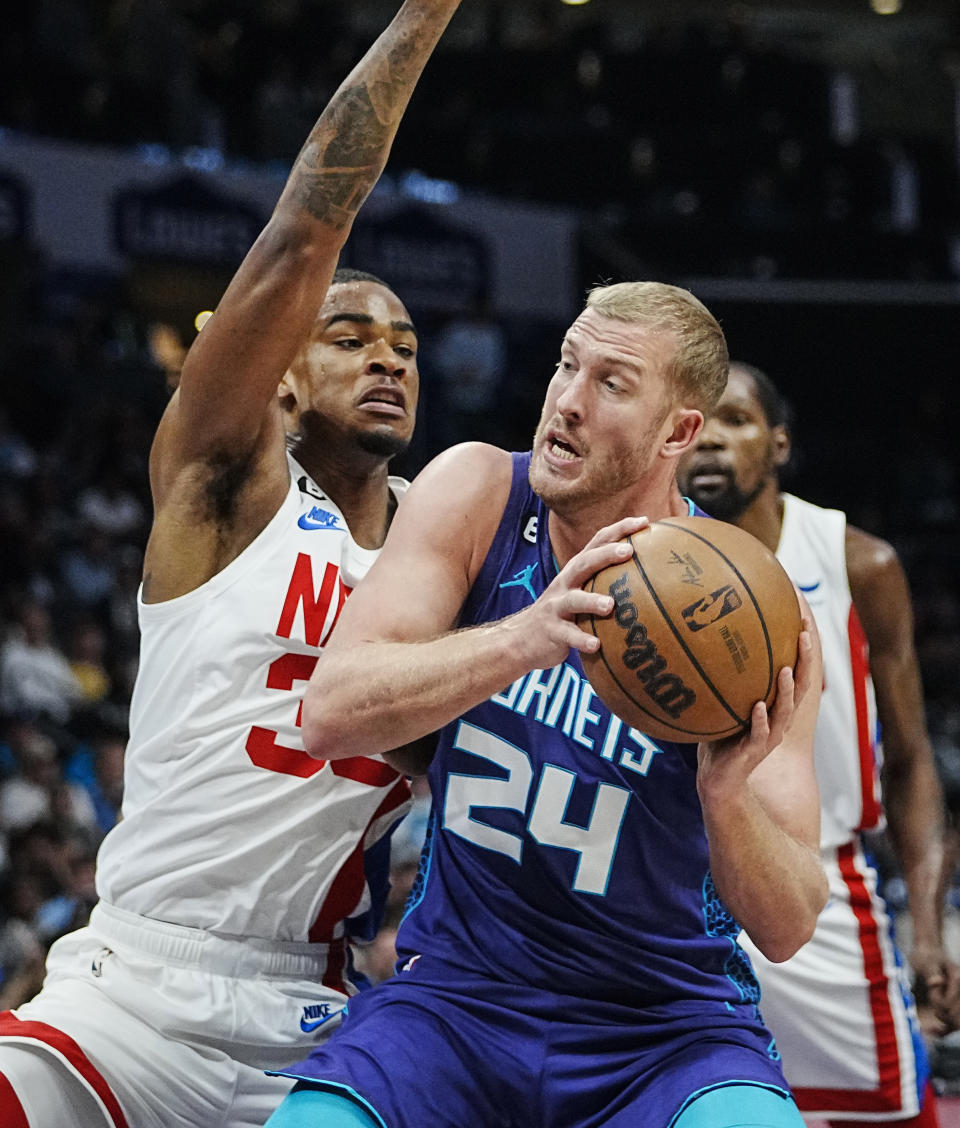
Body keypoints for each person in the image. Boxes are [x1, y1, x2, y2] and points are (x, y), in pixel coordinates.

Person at [0, 0, 529, 1128]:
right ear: (284, 369)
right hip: (123, 997)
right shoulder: (225, 479)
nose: (390, 354)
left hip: (320, 1026)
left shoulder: (449, 553)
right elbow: (305, 230)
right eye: (353, 333)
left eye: (407, 340)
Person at [264, 278, 828, 1128]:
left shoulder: (752, 619)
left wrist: (725, 796)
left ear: (679, 432)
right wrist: (525, 636)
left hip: (666, 1031)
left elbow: (788, 925)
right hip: (454, 1002)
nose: (566, 402)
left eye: (612, 384)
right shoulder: (481, 494)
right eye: (568, 364)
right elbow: (328, 713)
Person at [679, 361, 960, 1127]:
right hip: (674, 894)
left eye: (734, 420)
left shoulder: (856, 563)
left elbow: (908, 763)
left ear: (778, 445)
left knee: (898, 1116)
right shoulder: (647, 559)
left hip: (819, 886)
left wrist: (927, 930)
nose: (711, 442)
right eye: (697, 423)